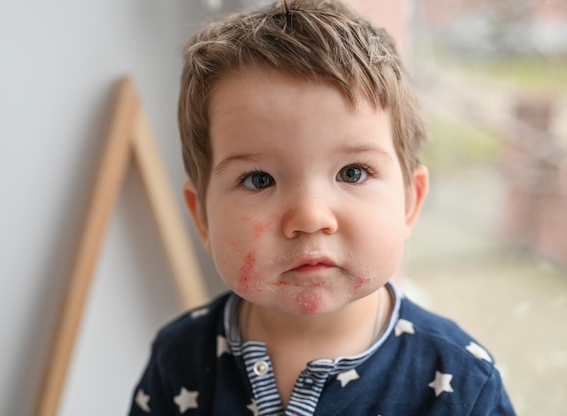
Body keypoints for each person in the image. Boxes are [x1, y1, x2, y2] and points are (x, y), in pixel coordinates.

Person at [129, 0, 515, 414]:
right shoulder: (178, 358)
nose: (311, 217)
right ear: (201, 215)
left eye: (352, 173)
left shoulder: (462, 384)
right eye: (260, 179)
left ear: (410, 201)